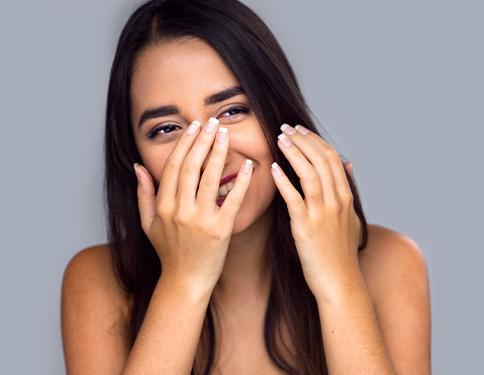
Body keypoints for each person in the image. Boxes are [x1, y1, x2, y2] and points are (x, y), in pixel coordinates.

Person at [61, 0, 431, 374]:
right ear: (135, 158)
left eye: (232, 111)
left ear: (278, 113)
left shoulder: (391, 264)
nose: (209, 153)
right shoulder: (98, 281)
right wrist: (184, 282)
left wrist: (339, 282)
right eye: (166, 129)